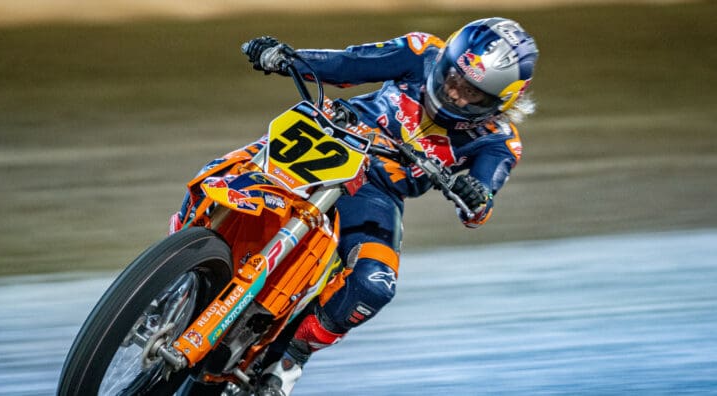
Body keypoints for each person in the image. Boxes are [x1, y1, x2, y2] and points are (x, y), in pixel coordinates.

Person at [174, 17, 538, 395]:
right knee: (219, 174)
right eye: (452, 78)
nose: (455, 95)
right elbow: (348, 64)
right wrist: (286, 57)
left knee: (375, 283)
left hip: (375, 191)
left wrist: (475, 195)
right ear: (446, 59)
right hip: (328, 135)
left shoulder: (499, 141)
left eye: (472, 94)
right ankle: (175, 273)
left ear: (499, 103)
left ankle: (289, 360)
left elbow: (481, 204)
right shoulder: (420, 52)